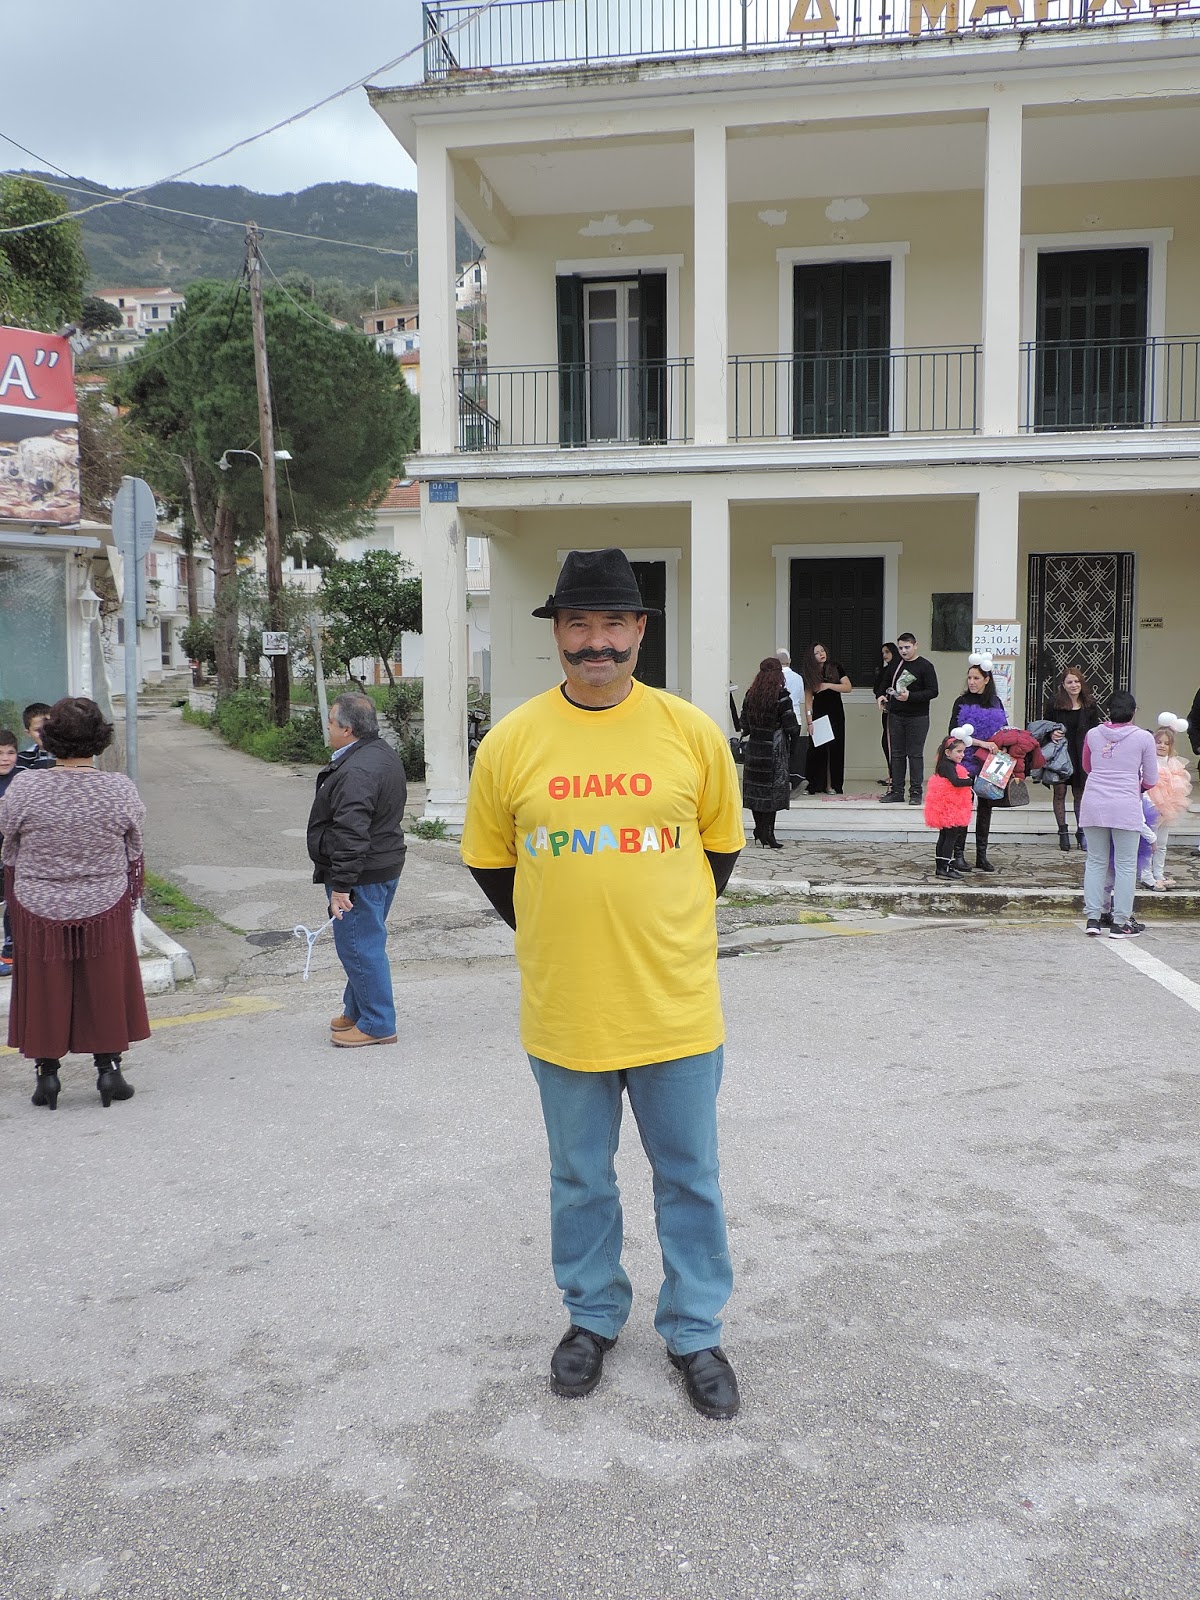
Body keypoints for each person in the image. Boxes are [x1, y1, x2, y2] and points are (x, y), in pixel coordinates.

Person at [461, 547, 745, 1421]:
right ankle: (591, 1316)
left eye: (613, 624)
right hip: (567, 1007)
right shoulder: (512, 741)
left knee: (689, 1177)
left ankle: (695, 1330)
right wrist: (563, 932)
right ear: (557, 633)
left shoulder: (690, 733)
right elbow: (492, 865)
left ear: (640, 631)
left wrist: (656, 930)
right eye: (578, 624)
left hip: (674, 1006)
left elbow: (720, 851)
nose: (597, 642)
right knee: (580, 1179)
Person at [0, 697, 148, 1111]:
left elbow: (8, 835)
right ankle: (108, 1070)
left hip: (38, 903)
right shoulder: (118, 788)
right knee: (104, 982)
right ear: (100, 739)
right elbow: (134, 843)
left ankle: (46, 1076)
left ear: (49, 738)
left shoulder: (25, 787)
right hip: (104, 901)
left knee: (42, 984)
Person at [306, 693, 407, 1048]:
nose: (328, 727)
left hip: (362, 873)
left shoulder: (358, 770)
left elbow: (352, 833)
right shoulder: (378, 753)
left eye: (331, 723)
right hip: (381, 864)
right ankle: (357, 1010)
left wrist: (341, 886)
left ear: (347, 729)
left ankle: (378, 1024)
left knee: (360, 948)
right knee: (362, 943)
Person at [1080, 690, 1158, 939]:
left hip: (1093, 802)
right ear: (1134, 712)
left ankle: (1093, 918)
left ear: (1108, 711)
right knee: (1125, 864)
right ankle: (1120, 922)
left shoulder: (1093, 734)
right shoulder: (1144, 737)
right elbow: (1151, 778)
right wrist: (1136, 788)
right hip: (1125, 805)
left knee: (1095, 861)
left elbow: (1087, 766)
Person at [946, 655, 1006, 873]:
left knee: (986, 807)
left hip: (990, 762)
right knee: (964, 805)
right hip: (966, 759)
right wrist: (981, 743)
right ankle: (958, 854)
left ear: (986, 680)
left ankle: (982, 855)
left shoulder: (996, 702)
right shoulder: (961, 702)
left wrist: (1001, 747)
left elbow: (1004, 730)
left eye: (976, 678)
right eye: (969, 678)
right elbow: (953, 732)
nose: (971, 682)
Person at [741, 656, 799, 849]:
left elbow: (744, 725)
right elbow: (791, 726)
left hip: (754, 749)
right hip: (774, 751)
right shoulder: (782, 696)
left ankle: (759, 830)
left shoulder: (750, 695)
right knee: (772, 794)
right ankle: (768, 833)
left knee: (757, 792)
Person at [877, 632, 939, 805]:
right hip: (896, 715)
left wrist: (910, 696)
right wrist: (881, 695)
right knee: (896, 754)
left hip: (918, 717)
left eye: (907, 647)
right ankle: (897, 791)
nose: (904, 651)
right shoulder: (895, 665)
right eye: (900, 648)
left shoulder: (925, 666)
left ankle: (916, 792)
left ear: (915, 646)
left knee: (915, 754)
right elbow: (884, 683)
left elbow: (933, 691)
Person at [1045, 666, 1101, 852]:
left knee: (1080, 794)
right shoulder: (1054, 704)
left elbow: (1095, 729)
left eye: (1077, 681)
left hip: (1081, 753)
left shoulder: (1089, 704)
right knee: (1059, 792)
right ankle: (1062, 831)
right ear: (1063, 685)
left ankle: (1081, 831)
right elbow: (1045, 726)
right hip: (1060, 754)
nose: (1074, 685)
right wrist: (1051, 733)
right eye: (1069, 682)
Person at [1140, 716, 1192, 891]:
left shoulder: (1173, 763)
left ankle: (1159, 873)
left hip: (1168, 808)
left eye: (1166, 743)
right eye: (1158, 742)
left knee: (1162, 843)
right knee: (1150, 841)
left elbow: (1178, 786)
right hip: (1151, 807)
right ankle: (1146, 874)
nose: (1162, 746)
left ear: (1171, 746)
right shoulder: (1147, 762)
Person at [800, 643, 852, 795]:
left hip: (836, 713)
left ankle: (832, 785)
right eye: (817, 653)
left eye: (822, 650)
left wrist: (828, 685)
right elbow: (808, 701)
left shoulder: (836, 667)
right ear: (811, 657)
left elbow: (848, 687)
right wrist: (809, 721)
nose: (821, 654)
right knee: (817, 750)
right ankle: (813, 785)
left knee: (835, 749)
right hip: (819, 714)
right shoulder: (809, 674)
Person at [924, 731, 975, 878]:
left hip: (946, 807)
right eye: (959, 751)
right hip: (949, 809)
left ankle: (941, 866)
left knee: (944, 836)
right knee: (950, 837)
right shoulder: (948, 766)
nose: (962, 755)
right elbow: (956, 782)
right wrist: (971, 781)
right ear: (947, 752)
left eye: (963, 752)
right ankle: (946, 867)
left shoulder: (944, 764)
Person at [775, 647, 807, 794]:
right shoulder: (798, 678)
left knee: (779, 752)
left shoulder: (775, 678)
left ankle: (782, 783)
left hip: (780, 720)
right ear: (789, 661)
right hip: (796, 718)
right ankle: (794, 780)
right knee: (792, 752)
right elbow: (800, 698)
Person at [0, 728, 18, 977]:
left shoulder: (23, 779)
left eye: (10, 752)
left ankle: (9, 954)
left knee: (13, 905)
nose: (5, 759)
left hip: (13, 856)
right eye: (0, 753)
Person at [872, 643, 898, 786]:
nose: (885, 655)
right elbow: (878, 689)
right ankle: (891, 774)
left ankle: (896, 776)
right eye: (883, 653)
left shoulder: (899, 670)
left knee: (894, 742)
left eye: (887, 652)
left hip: (899, 711)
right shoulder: (885, 671)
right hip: (887, 709)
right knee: (886, 741)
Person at [17, 702, 56, 771]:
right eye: (38, 730)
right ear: (28, 733)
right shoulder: (22, 760)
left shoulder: (71, 755)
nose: (44, 733)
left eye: (48, 727)